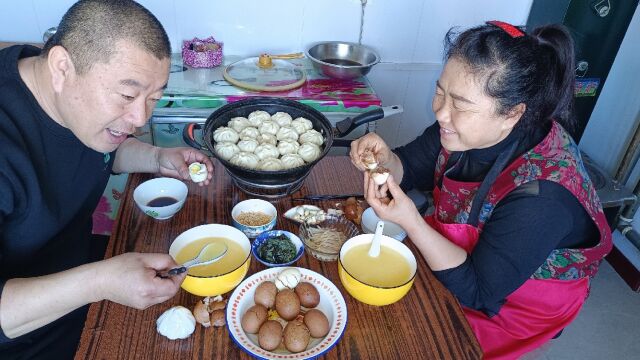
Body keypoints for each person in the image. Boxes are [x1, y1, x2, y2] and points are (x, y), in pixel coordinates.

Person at [350, 21, 611, 359]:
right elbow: (409, 166)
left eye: (460, 103)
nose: (440, 111)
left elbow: (478, 291)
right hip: (467, 261)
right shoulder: (460, 129)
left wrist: (411, 220)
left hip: (518, 300)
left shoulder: (543, 194)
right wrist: (384, 162)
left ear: (512, 113)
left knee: (428, 342)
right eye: (440, 91)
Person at [0, 1, 214, 358]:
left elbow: (98, 151)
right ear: (62, 67)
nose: (138, 118)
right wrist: (100, 281)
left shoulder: (67, 95)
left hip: (86, 277)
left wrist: (157, 158)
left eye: (153, 98)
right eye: (128, 95)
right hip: (25, 334)